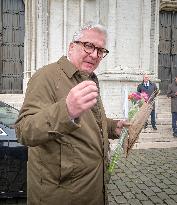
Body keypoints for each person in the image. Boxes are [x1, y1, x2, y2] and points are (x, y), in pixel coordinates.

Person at [15, 22, 130, 205]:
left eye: (101, 50)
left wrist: (112, 126)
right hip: (61, 196)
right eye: (89, 46)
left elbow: (90, 121)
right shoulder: (46, 76)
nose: (94, 55)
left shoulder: (88, 78)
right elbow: (24, 130)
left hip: (91, 190)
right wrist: (66, 110)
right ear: (71, 47)